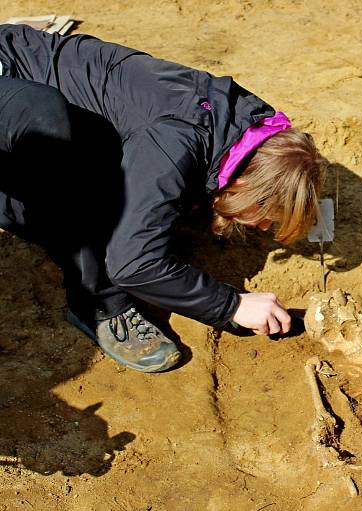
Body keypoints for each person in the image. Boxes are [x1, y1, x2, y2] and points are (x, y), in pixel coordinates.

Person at [0, 24, 326, 373]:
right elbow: (133, 264)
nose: (263, 226)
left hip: (28, 67)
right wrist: (232, 306)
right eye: (265, 212)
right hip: (15, 98)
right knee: (73, 177)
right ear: (246, 184)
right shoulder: (177, 142)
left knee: (124, 178)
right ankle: (96, 302)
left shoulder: (252, 124)